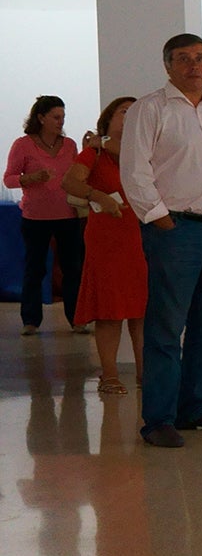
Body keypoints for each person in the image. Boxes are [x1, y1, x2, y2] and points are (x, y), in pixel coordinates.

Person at [122, 35, 202, 448]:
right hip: (176, 230)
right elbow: (134, 170)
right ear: (168, 66)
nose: (194, 65)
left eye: (201, 58)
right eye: (184, 59)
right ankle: (158, 419)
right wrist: (160, 219)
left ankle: (192, 408)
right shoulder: (150, 108)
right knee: (166, 327)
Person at [62, 97, 146, 394]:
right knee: (110, 309)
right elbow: (69, 182)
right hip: (108, 238)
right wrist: (98, 196)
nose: (130, 116)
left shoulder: (144, 151)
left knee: (142, 309)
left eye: (135, 112)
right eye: (124, 111)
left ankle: (145, 372)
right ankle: (109, 374)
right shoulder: (93, 153)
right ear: (108, 118)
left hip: (142, 235)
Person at [7, 95, 84, 335]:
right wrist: (30, 178)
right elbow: (9, 179)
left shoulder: (69, 145)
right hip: (35, 218)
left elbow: (77, 175)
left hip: (68, 216)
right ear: (41, 118)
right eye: (56, 117)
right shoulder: (23, 145)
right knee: (35, 268)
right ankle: (30, 320)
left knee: (73, 269)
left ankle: (77, 319)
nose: (61, 122)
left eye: (63, 117)